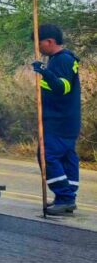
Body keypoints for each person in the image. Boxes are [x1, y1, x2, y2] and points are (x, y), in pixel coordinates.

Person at [33, 23, 82, 215]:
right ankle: (67, 196)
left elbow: (63, 88)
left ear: (50, 41)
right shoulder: (62, 59)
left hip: (59, 120)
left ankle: (66, 197)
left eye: (39, 44)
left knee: (47, 155)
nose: (38, 48)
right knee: (67, 157)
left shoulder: (62, 60)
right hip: (67, 119)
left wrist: (43, 72)